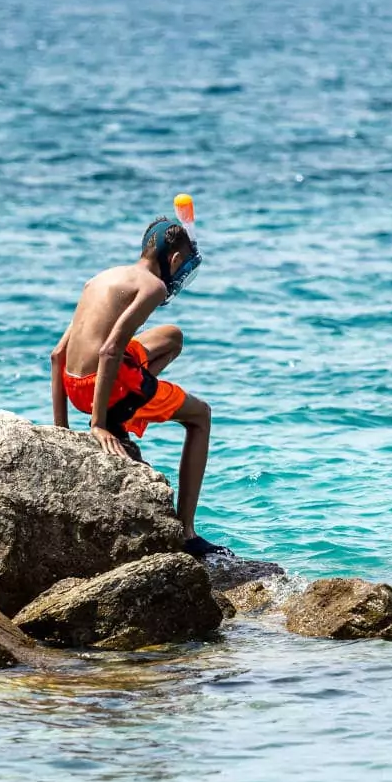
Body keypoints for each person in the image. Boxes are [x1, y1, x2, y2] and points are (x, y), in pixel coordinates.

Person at [51, 215, 229, 557]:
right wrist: (98, 424)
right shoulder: (154, 287)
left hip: (75, 385)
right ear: (175, 260)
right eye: (182, 266)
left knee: (171, 337)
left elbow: (58, 355)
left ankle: (130, 403)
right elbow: (109, 349)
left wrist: (61, 430)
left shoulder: (101, 279)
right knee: (201, 416)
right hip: (106, 386)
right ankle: (187, 533)